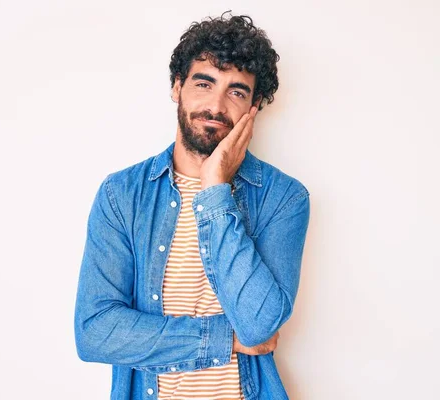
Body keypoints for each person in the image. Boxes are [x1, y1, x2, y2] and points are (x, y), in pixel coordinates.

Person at [74, 12, 311, 400]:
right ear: (177, 87)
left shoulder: (283, 198)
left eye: (237, 91)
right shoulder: (122, 195)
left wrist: (215, 188)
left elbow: (258, 327)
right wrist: (224, 339)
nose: (216, 106)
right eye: (204, 83)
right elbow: (96, 332)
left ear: (253, 109)